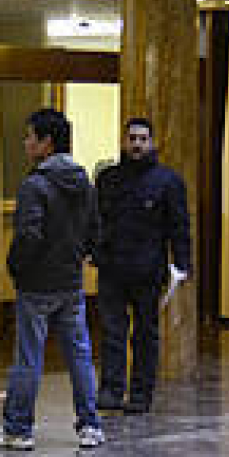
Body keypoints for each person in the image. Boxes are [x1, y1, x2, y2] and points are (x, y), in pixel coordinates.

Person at [0, 108, 105, 450]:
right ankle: (90, 426)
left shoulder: (34, 186)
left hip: (36, 285)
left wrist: (15, 268)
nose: (25, 143)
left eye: (29, 137)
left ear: (46, 143)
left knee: (28, 358)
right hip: (71, 283)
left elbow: (29, 236)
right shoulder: (85, 184)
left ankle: (18, 429)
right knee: (79, 355)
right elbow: (95, 230)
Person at [94, 117, 191, 415]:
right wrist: (92, 251)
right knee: (112, 332)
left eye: (142, 139)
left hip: (148, 271)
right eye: (132, 138)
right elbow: (96, 220)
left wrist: (182, 265)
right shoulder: (108, 178)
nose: (136, 144)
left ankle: (140, 393)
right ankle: (110, 390)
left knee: (145, 335)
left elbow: (179, 225)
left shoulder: (168, 181)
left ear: (152, 143)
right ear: (124, 141)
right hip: (112, 268)